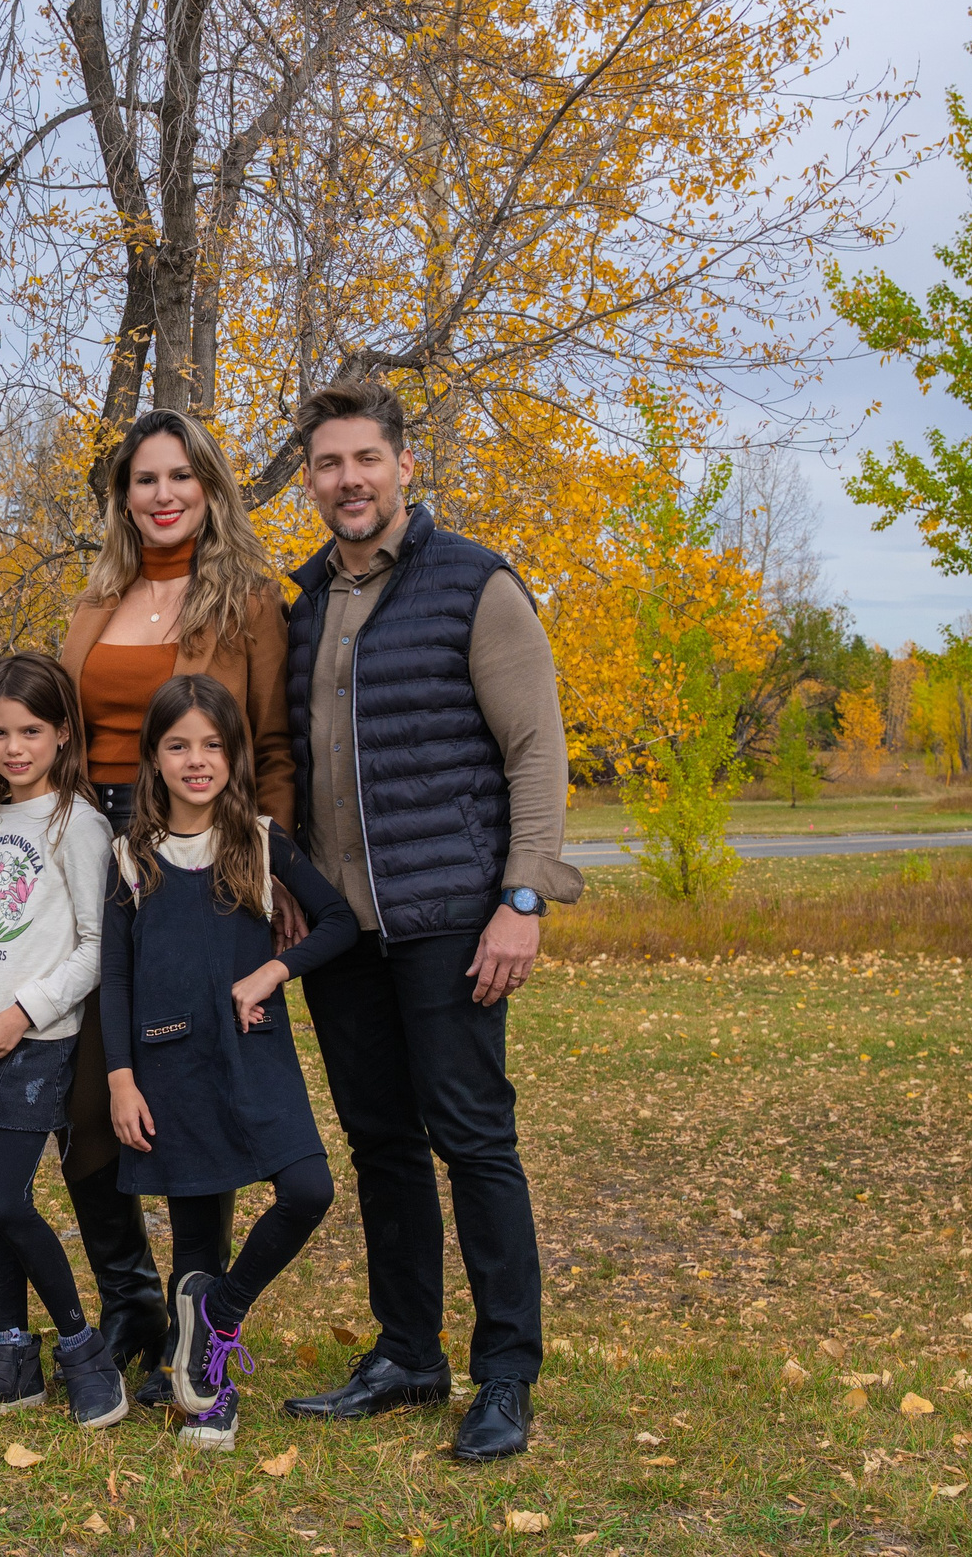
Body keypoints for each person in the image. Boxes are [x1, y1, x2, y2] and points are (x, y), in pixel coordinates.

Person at [275, 380, 584, 1463]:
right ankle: (407, 1351)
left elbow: (536, 752)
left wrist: (522, 894)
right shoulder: (303, 604)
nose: (348, 480)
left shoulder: (474, 583)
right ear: (308, 477)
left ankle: (505, 1372)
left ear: (405, 464)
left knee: (473, 1139)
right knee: (380, 1145)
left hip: (455, 913)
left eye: (366, 458)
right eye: (327, 462)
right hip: (342, 930)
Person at [55, 409, 295, 1403]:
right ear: (122, 498)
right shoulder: (93, 603)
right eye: (143, 479)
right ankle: (130, 1302)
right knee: (81, 1088)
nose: (161, 494)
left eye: (179, 477)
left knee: (188, 1083)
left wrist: (263, 873)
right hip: (89, 843)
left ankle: (191, 1316)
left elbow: (270, 745)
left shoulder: (245, 601)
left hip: (202, 849)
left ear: (208, 489)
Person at [99, 676, 358, 1451]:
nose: (197, 760)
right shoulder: (131, 856)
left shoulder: (259, 838)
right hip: (170, 1064)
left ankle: (220, 1312)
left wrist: (274, 971)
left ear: (234, 755)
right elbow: (115, 976)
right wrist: (120, 1076)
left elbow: (340, 921)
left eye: (212, 745)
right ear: (154, 757)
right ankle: (204, 1387)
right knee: (195, 1245)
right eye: (179, 745)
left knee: (309, 1188)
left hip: (254, 1056)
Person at [0, 653, 127, 1428]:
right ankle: (11, 1355)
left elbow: (94, 944)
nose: (14, 748)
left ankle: (81, 1347)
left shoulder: (79, 823)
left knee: (11, 1201)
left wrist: (25, 1013)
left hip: (34, 1041)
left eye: (31, 731)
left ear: (62, 733)